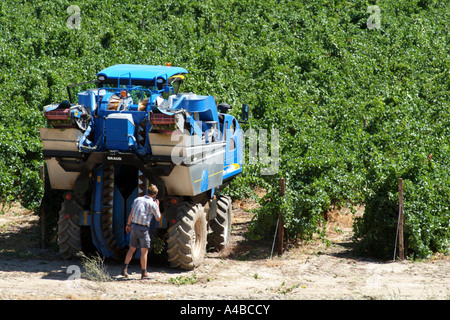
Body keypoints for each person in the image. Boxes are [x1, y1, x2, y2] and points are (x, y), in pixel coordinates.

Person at [121, 184, 161, 279]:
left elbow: (131, 213)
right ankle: (144, 273)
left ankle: (124, 269)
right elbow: (158, 218)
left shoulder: (137, 200)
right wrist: (158, 206)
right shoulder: (153, 204)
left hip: (134, 227)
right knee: (144, 251)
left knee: (132, 249)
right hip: (143, 229)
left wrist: (128, 225)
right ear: (155, 194)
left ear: (147, 191)